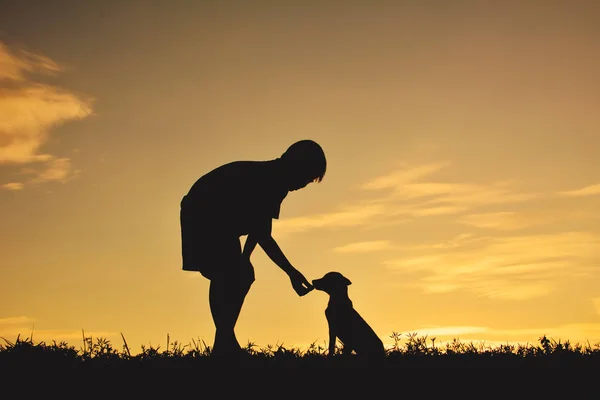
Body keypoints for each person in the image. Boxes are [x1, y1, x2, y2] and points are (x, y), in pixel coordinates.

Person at [180, 139, 327, 358]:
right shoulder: (270, 181)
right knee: (227, 274)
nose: (303, 185)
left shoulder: (276, 182)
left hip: (221, 222)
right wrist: (291, 272)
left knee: (240, 273)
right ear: (295, 166)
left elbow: (259, 227)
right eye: (306, 178)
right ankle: (224, 344)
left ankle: (224, 342)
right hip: (203, 212)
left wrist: (245, 257)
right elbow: (264, 236)